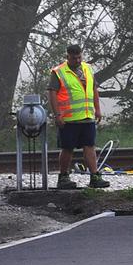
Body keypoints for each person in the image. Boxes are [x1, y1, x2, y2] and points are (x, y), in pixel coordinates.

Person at [47, 44, 109, 190]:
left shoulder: (87, 68)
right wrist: (57, 115)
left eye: (79, 57)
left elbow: (94, 89)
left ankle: (94, 176)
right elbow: (52, 93)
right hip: (68, 118)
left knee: (89, 146)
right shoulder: (59, 72)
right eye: (74, 58)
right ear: (67, 56)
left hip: (87, 116)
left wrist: (97, 110)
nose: (77, 60)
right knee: (67, 148)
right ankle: (63, 177)